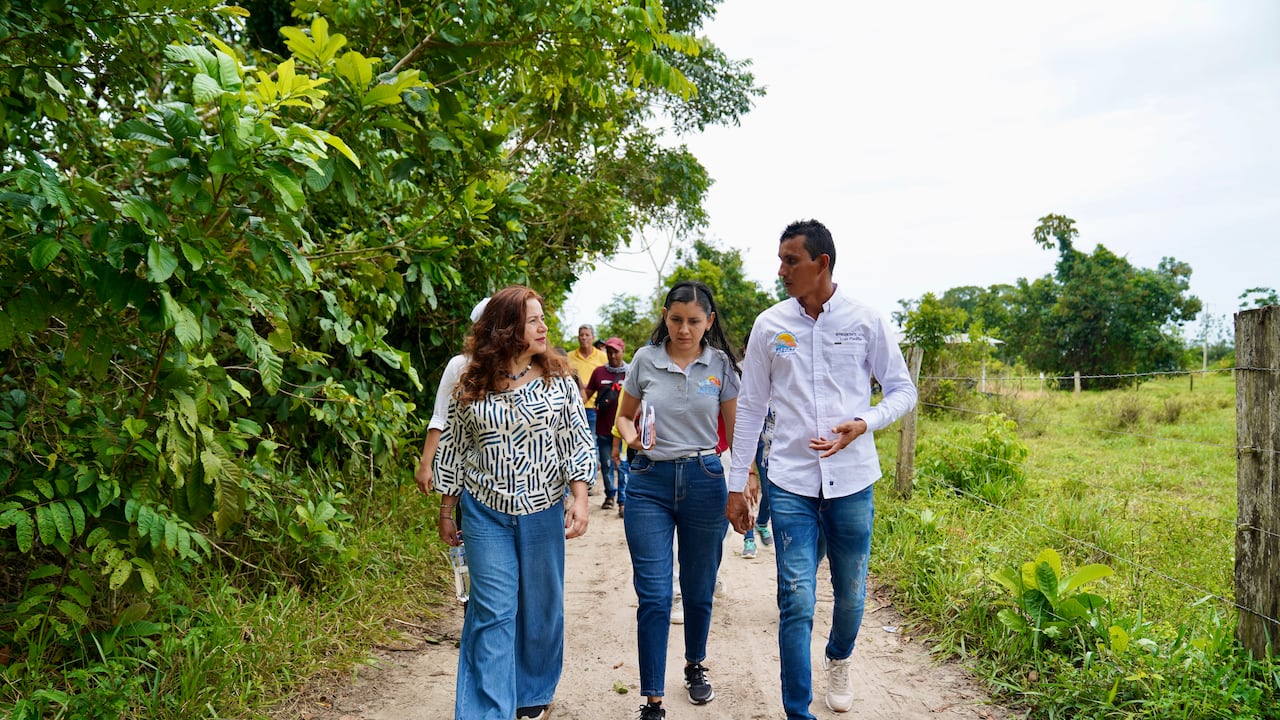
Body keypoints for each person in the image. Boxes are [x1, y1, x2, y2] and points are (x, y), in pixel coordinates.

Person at [726, 219, 918, 720]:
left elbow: (902, 390)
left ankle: (839, 657)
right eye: (781, 259)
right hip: (789, 481)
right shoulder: (770, 326)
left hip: (852, 480)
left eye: (791, 260)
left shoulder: (865, 321)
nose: (782, 270)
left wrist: (864, 422)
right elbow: (749, 407)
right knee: (795, 598)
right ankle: (797, 711)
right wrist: (737, 481)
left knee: (851, 596)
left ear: (822, 263)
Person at [434, 286, 597, 720]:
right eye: (533, 320)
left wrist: (579, 499)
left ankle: (532, 693)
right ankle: (488, 711)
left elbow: (578, 443)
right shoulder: (471, 381)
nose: (544, 327)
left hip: (543, 511)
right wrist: (448, 508)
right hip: (485, 512)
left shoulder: (559, 380)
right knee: (493, 611)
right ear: (506, 329)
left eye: (543, 319)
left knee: (542, 608)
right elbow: (454, 447)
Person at [614, 280, 741, 720]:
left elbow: (737, 432)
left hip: (705, 481)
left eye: (693, 321)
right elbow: (623, 419)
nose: (683, 329)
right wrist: (633, 437)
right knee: (652, 594)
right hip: (649, 481)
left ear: (709, 322)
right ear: (664, 316)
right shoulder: (645, 360)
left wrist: (748, 480)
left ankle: (695, 665)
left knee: (699, 587)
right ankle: (652, 698)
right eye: (675, 319)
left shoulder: (721, 365)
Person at [413, 297, 490, 496]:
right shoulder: (459, 365)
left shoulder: (520, 370)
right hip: (464, 468)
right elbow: (440, 415)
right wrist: (425, 464)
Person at [584, 337, 628, 511]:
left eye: (616, 351)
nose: (612, 355)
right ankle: (610, 495)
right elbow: (586, 395)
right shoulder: (598, 373)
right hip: (603, 428)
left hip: (624, 431)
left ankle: (623, 500)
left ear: (622, 351)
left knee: (623, 465)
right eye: (609, 351)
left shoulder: (630, 373)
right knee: (607, 463)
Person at [568, 324, 608, 493]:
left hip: (594, 408)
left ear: (592, 337)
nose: (583, 337)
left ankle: (589, 479)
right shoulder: (570, 357)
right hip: (573, 408)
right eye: (581, 334)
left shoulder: (602, 357)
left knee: (591, 443)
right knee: (574, 444)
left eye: (586, 335)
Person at [741, 406, 775, 560]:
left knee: (769, 491)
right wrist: (750, 471)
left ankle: (761, 523)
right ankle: (748, 538)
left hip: (773, 442)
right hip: (754, 437)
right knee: (749, 490)